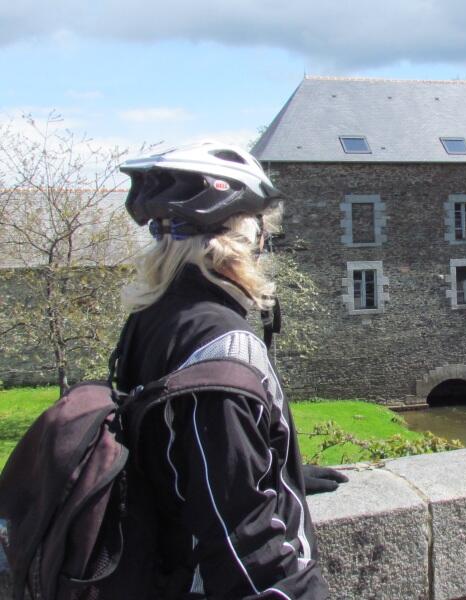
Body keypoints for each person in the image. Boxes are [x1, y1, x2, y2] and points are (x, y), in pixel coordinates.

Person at [115, 142, 345, 599]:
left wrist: (279, 469)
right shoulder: (225, 344)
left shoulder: (152, 318)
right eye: (263, 233)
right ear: (242, 237)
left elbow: (182, 451)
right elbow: (242, 542)